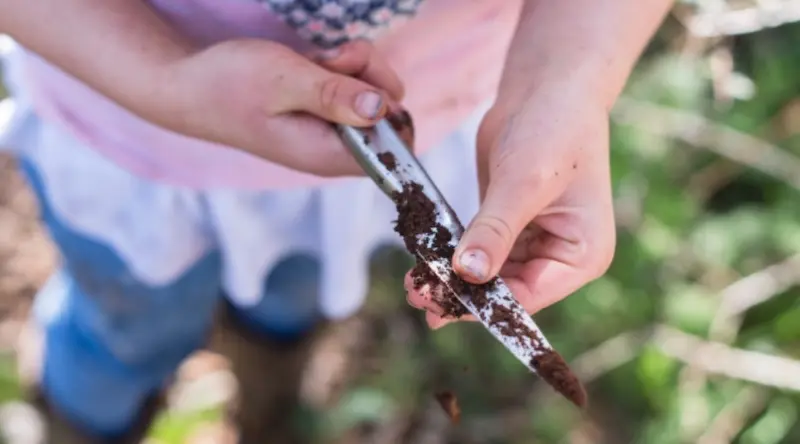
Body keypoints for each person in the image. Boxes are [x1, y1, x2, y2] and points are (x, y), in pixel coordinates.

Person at [0, 0, 673, 442]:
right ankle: (81, 424)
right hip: (130, 139)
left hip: (383, 149)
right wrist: (166, 79)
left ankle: (269, 394)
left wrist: (564, 81)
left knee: (296, 296)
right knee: (127, 326)